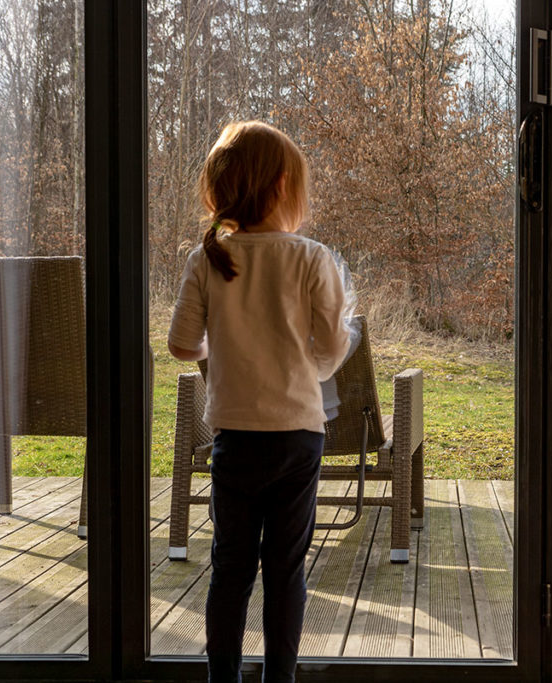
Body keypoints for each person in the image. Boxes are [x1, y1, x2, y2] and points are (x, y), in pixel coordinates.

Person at [167, 121, 352, 683]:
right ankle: (280, 679)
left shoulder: (208, 260)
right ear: (280, 187)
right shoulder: (312, 258)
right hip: (298, 434)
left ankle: (220, 677)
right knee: (285, 569)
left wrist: (220, 345)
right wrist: (310, 365)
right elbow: (333, 345)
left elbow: (180, 345)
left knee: (231, 567)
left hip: (234, 435)